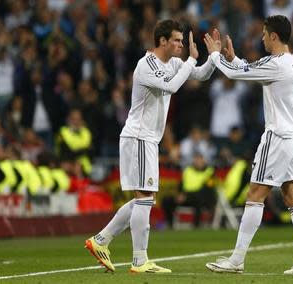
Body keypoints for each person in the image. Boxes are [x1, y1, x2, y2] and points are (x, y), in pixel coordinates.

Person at [84, 19, 217, 274]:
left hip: (148, 139)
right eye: (176, 40)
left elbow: (199, 75)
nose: (180, 44)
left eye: (181, 40)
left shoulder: (175, 63)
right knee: (145, 198)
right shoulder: (146, 65)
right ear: (162, 41)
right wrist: (190, 61)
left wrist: (210, 58)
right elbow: (171, 85)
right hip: (139, 137)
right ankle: (139, 260)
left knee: (143, 199)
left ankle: (101, 240)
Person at [204, 15, 293, 274]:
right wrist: (234, 60)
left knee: (255, 194)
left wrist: (215, 56)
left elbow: (236, 75)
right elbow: (251, 70)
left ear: (274, 36)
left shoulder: (276, 64)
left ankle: (236, 260)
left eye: (265, 35)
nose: (262, 38)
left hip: (277, 137)